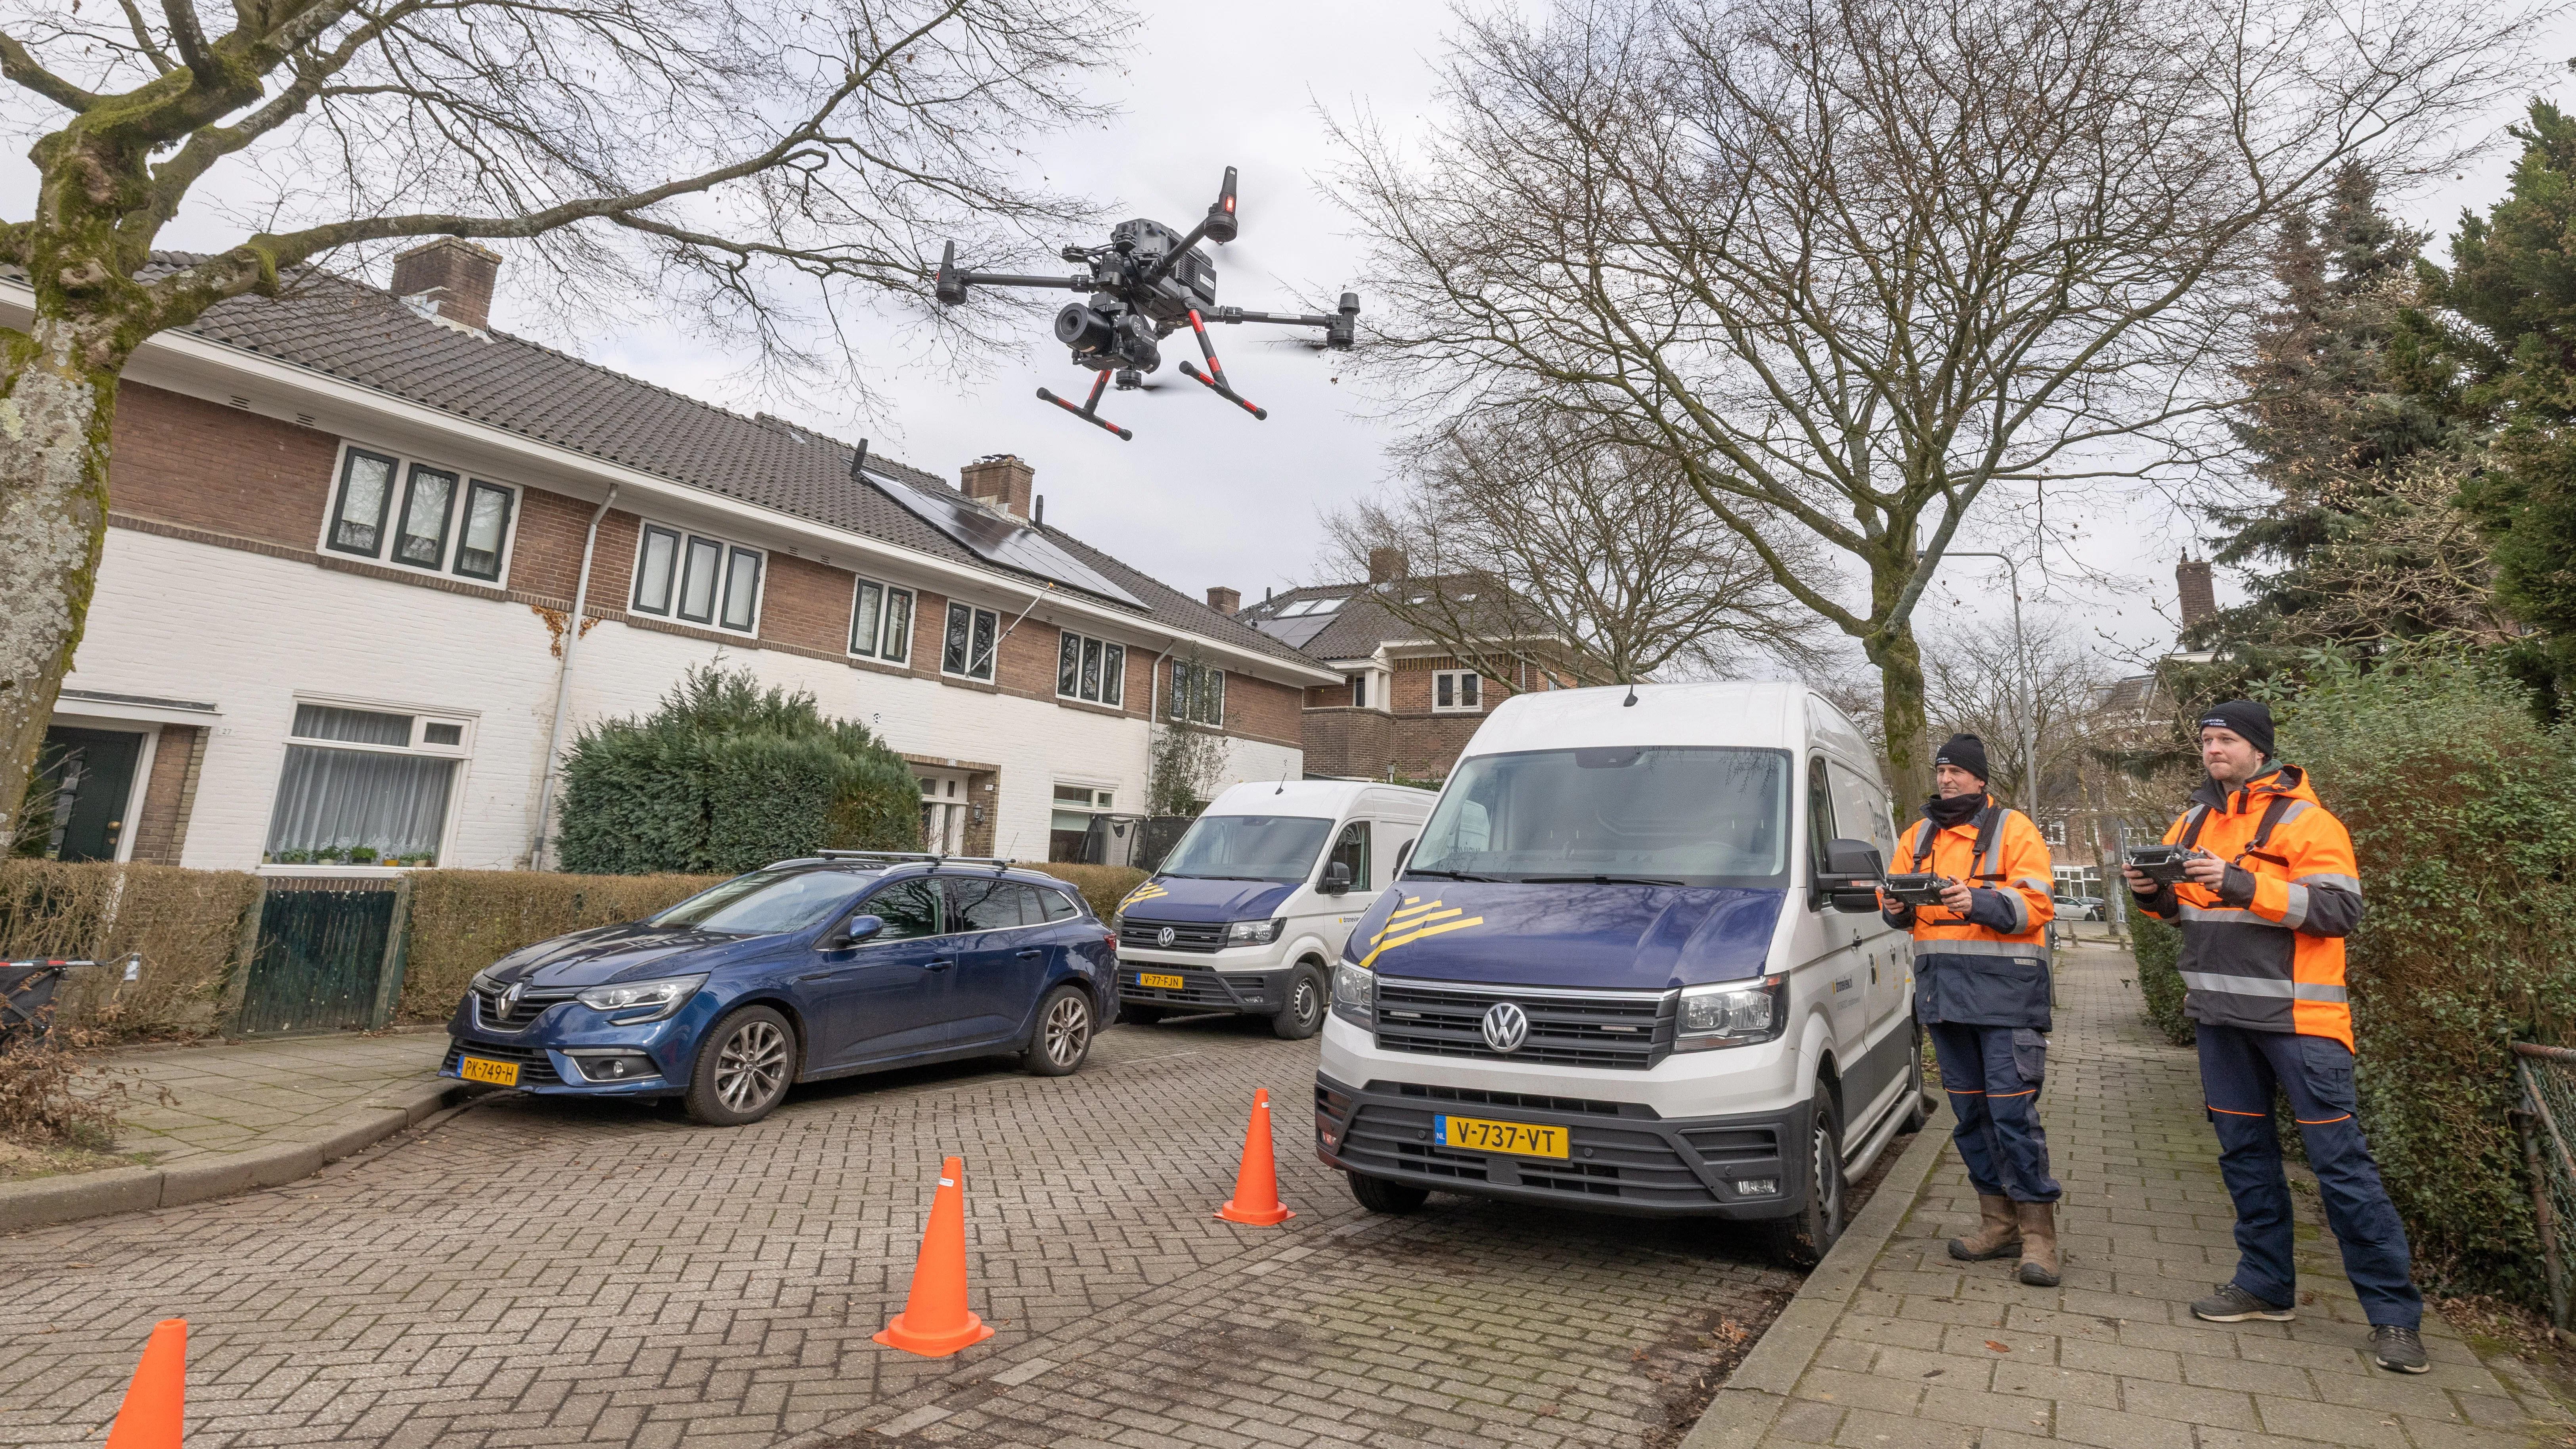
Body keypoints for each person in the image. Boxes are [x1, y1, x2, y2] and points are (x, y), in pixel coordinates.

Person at [2122, 700, 2425, 1374]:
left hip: (2301, 1023)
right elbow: (2180, 915)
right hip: (2220, 1020)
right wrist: (2149, 893)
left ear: (2259, 749)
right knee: (2244, 1158)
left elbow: (2339, 910)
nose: (2213, 749)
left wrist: (2238, 881)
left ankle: (2394, 1317)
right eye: (2206, 739)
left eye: (2226, 739)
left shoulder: (2308, 821)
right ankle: (2265, 1285)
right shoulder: (2190, 822)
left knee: (2341, 1168)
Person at [1881, 733, 2062, 1286]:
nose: (1945, 779)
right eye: (1940, 771)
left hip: (2006, 1000)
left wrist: (1977, 900)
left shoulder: (2014, 829)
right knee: (1970, 1119)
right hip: (1945, 998)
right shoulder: (1916, 836)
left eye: (1956, 771)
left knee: (2012, 1118)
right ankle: (1998, 1223)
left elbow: (2038, 903)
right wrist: (1894, 905)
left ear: (1980, 779)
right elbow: (1898, 910)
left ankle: (2039, 1237)